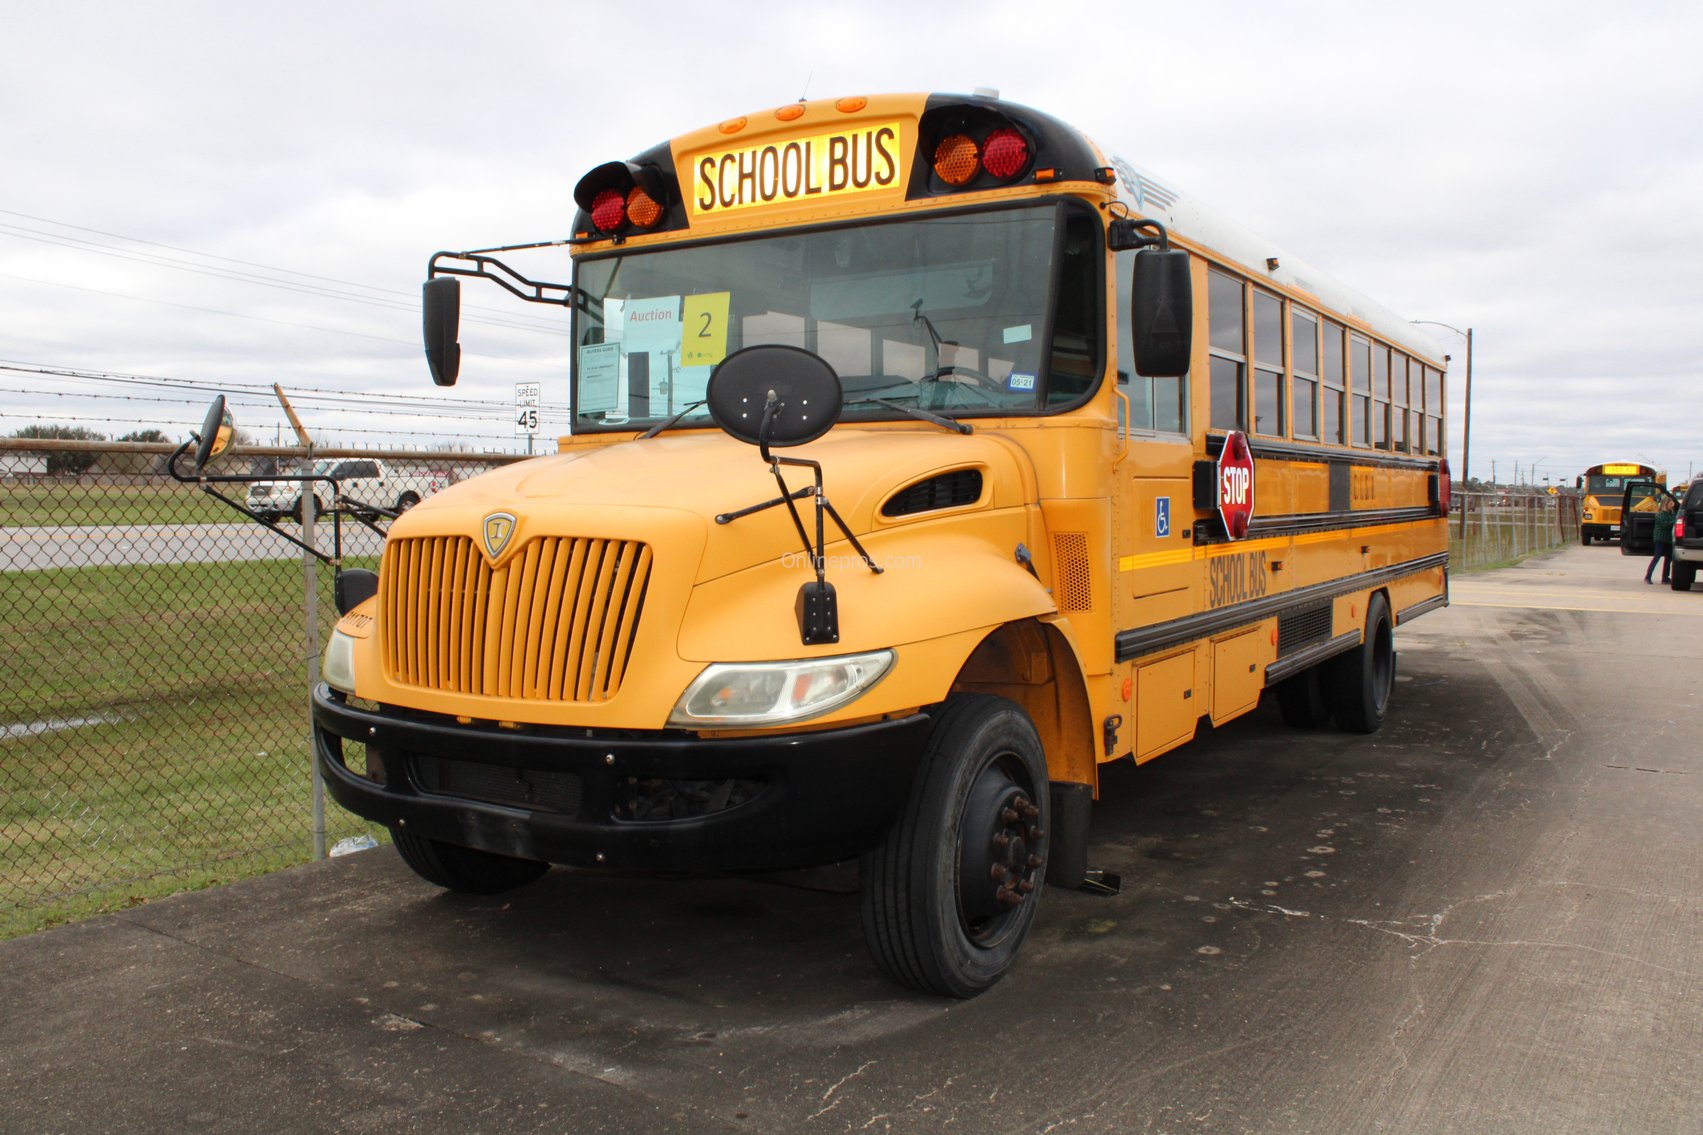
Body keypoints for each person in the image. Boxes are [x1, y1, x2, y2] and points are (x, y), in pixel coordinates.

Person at [1645, 492, 1677, 584]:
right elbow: (1665, 525)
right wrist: (1675, 521)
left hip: (1669, 540)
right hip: (1660, 539)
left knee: (1668, 559)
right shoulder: (1660, 514)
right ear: (1666, 504)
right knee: (1657, 558)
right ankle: (1648, 576)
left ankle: (1665, 577)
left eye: (1673, 503)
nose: (1673, 505)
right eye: (1671, 503)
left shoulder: (1672, 514)